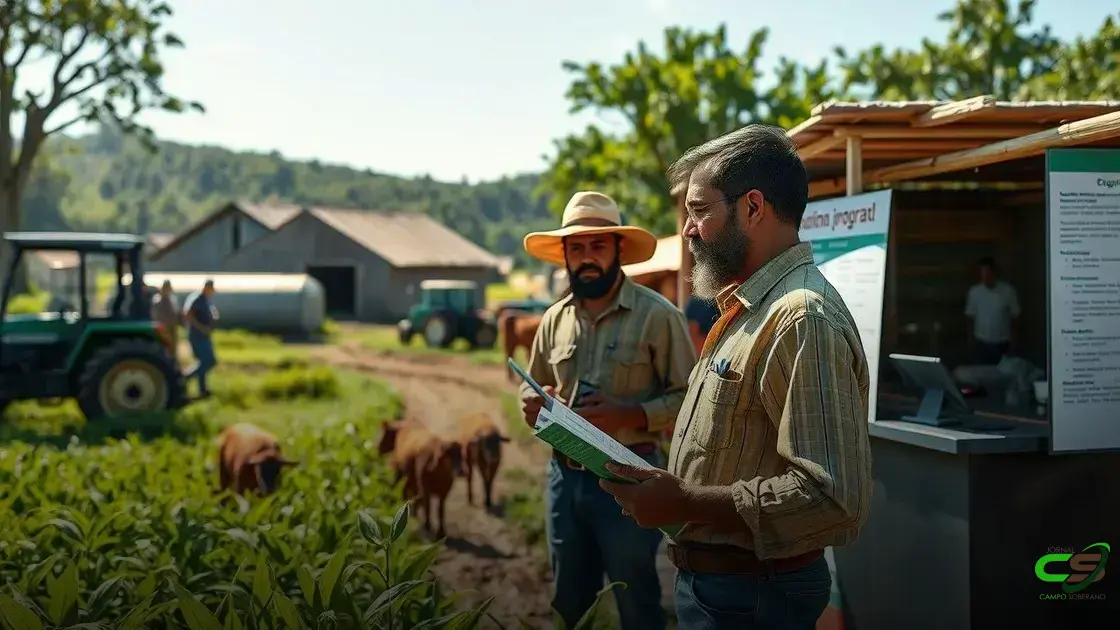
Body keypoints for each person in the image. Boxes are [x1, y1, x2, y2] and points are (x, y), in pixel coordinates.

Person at [597, 125, 874, 630]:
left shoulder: (800, 318)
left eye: (699, 211)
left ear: (752, 207)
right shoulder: (748, 307)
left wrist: (684, 502)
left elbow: (832, 499)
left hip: (753, 598)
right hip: (723, 592)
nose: (687, 230)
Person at [518, 191, 696, 630]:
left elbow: (692, 403)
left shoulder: (659, 317)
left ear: (618, 250)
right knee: (568, 603)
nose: (587, 258)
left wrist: (629, 415)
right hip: (564, 481)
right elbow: (538, 389)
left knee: (637, 603)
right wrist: (534, 407)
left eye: (598, 245)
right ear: (564, 256)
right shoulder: (553, 320)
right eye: (576, 249)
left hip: (629, 483)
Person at [965, 257, 1020, 365]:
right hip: (982, 343)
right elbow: (970, 317)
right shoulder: (974, 292)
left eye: (987, 273)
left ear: (994, 272)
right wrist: (970, 342)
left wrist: (1014, 343)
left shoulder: (1008, 291)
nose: (985, 277)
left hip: (1002, 343)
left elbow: (1015, 317)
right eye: (982, 274)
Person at [183, 279, 219, 398]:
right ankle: (185, 377)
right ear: (206, 288)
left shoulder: (206, 299)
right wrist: (201, 327)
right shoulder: (198, 299)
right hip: (197, 335)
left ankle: (203, 390)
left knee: (204, 362)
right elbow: (188, 315)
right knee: (208, 361)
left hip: (204, 335)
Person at [152, 280, 181, 361]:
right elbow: (155, 314)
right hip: (163, 327)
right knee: (164, 346)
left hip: (172, 326)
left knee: (173, 346)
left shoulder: (172, 299)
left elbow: (176, 311)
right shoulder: (157, 300)